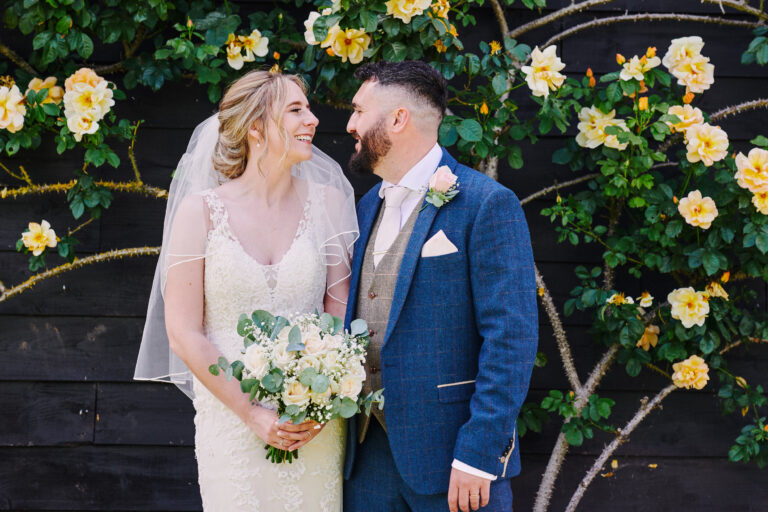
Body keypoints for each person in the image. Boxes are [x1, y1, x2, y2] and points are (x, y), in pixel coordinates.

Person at [135, 70, 358, 511]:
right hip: (231, 423)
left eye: (308, 108)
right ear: (255, 127)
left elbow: (340, 318)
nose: (312, 119)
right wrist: (252, 413)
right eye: (296, 110)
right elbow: (183, 332)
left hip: (311, 425)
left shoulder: (329, 204)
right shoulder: (199, 212)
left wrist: (318, 403)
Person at [342, 61, 538, 512]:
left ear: (397, 119)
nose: (350, 124)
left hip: (455, 462)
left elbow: (511, 337)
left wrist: (479, 453)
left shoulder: (487, 203)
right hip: (367, 458)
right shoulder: (367, 205)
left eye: (358, 111)